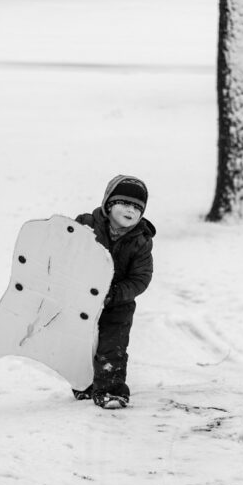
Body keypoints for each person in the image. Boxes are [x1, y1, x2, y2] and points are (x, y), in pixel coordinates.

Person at [73, 175, 155, 409]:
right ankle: (84, 384)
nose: (131, 210)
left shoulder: (140, 239)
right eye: (125, 204)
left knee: (112, 347)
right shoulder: (86, 225)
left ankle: (111, 390)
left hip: (117, 302)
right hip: (81, 298)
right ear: (109, 204)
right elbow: (64, 248)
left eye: (137, 207)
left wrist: (115, 294)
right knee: (80, 343)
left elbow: (141, 277)